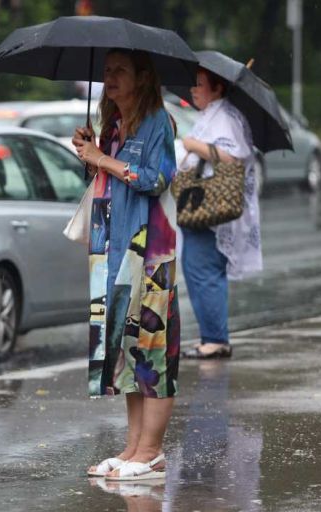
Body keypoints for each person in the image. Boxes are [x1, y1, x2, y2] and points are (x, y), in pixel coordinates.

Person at [72, 48, 180, 482]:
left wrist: (103, 159)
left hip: (150, 252)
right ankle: (133, 446)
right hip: (113, 250)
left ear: (142, 76)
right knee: (126, 352)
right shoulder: (114, 124)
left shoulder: (159, 122)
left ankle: (152, 452)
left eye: (119, 70)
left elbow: (157, 179)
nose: (109, 77)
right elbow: (109, 181)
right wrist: (92, 150)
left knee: (153, 351)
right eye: (106, 70)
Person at [178, 69, 263, 359]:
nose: (193, 89)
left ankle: (215, 339)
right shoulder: (213, 115)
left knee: (204, 272)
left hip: (210, 208)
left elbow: (233, 157)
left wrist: (193, 146)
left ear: (217, 88)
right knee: (196, 270)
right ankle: (212, 336)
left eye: (199, 84)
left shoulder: (225, 118)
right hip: (200, 205)